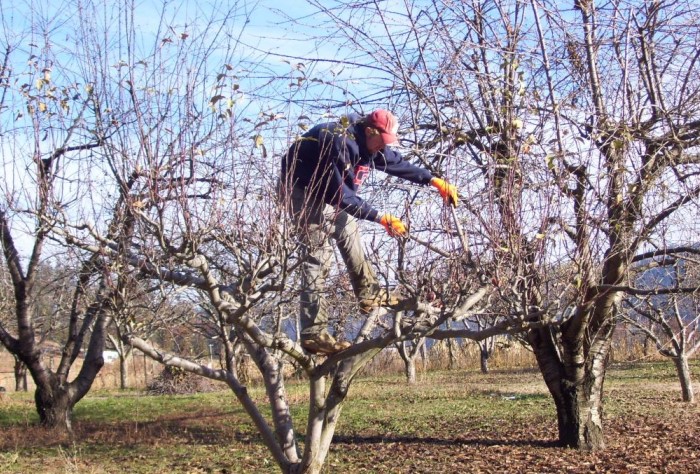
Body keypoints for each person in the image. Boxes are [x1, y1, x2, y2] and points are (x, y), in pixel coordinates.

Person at [281, 109, 458, 355]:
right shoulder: (336, 141)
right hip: (300, 189)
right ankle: (313, 334)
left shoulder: (370, 144)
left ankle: (369, 295)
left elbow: (395, 163)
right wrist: (379, 217)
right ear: (369, 131)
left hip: (327, 191)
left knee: (349, 232)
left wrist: (432, 180)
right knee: (318, 255)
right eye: (381, 142)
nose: (381, 148)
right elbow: (340, 195)